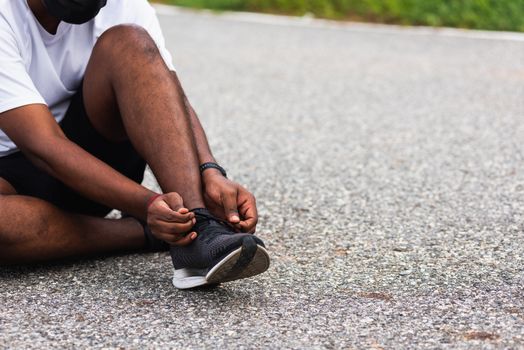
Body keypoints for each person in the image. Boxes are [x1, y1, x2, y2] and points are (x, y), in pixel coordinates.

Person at [0, 0, 269, 289]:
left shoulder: (123, 4)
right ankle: (147, 231)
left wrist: (210, 171)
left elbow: (164, 94)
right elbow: (43, 146)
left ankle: (199, 228)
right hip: (18, 172)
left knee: (130, 42)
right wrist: (147, 205)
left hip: (96, 165)